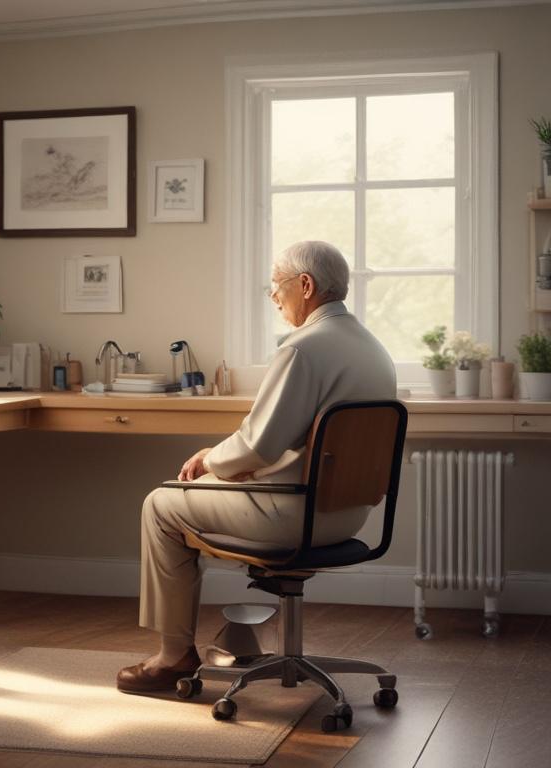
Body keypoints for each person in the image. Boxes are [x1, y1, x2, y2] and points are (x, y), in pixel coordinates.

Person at [117, 240, 396, 694]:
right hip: (348, 515)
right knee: (198, 489)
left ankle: (172, 657)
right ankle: (231, 638)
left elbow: (259, 447)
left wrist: (209, 458)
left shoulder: (303, 348)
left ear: (305, 285)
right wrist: (232, 465)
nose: (273, 295)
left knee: (162, 503)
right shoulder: (371, 348)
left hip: (295, 515)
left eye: (276, 285)